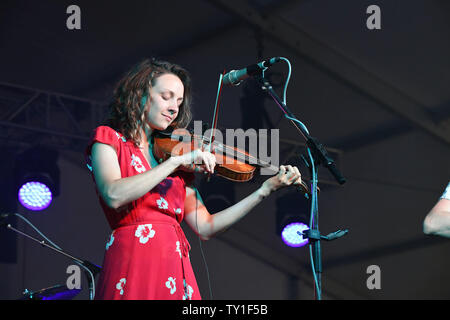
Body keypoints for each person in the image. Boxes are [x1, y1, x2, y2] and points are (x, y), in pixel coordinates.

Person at [85, 58, 303, 300]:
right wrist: (175, 162)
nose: (173, 108)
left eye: (178, 102)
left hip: (174, 264)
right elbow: (114, 194)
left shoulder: (175, 158)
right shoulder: (109, 139)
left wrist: (264, 190)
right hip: (133, 258)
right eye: (166, 96)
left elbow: (206, 227)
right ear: (140, 95)